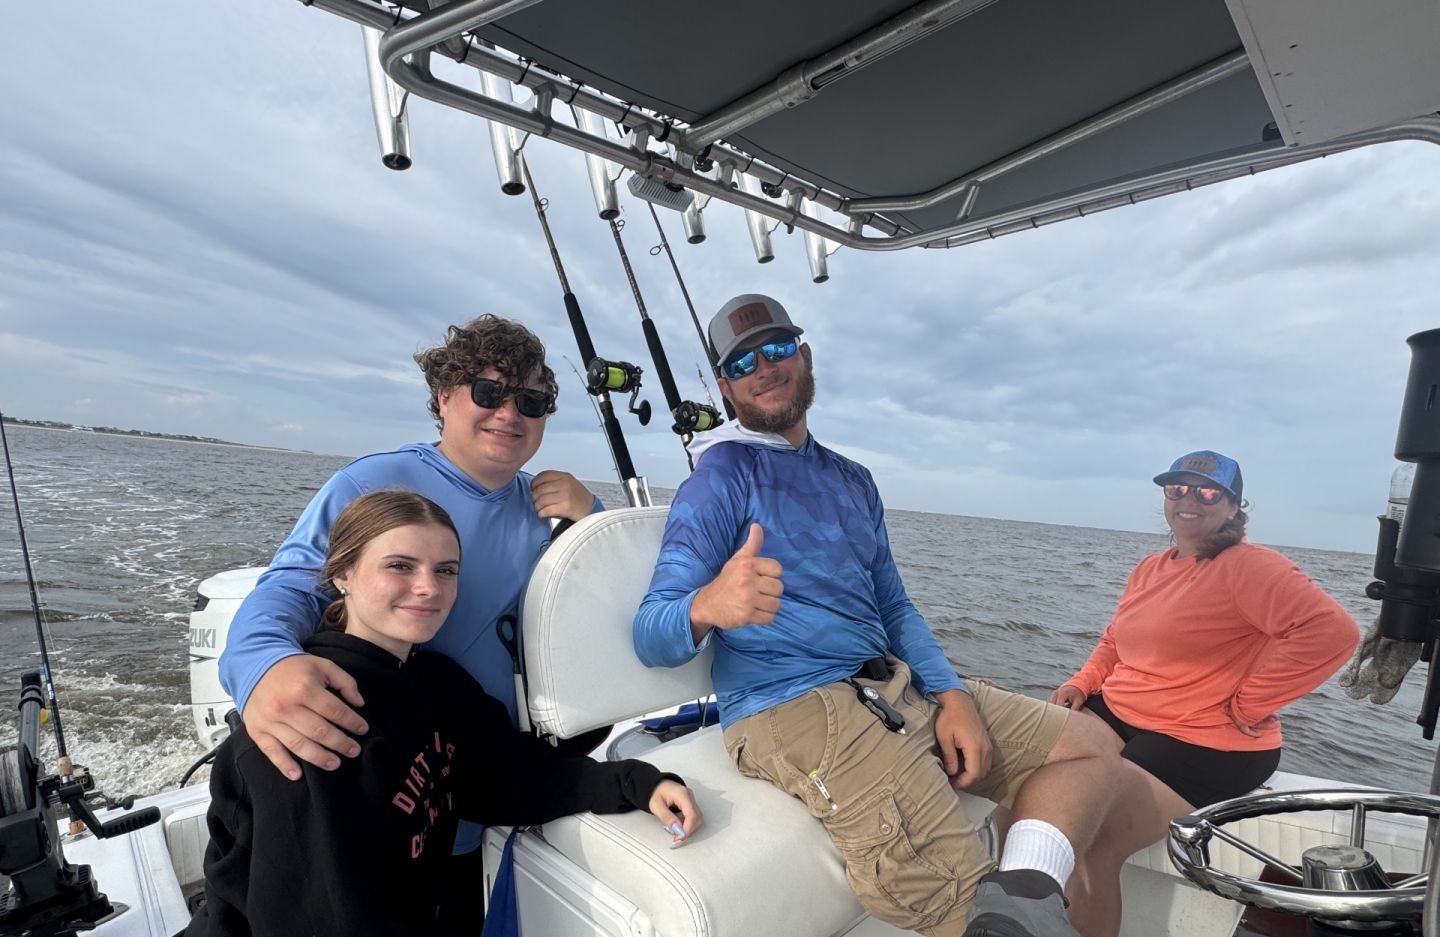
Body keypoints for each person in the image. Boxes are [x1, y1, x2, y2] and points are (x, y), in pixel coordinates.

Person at [634, 293, 1122, 937]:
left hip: (889, 681)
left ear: (804, 357)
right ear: (727, 385)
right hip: (793, 707)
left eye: (777, 348)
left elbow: (892, 602)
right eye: (743, 361)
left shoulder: (853, 479)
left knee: (1092, 747)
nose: (764, 367)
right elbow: (652, 634)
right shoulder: (719, 478)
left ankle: (1020, 894)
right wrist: (707, 606)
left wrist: (952, 694)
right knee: (972, 906)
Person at [217, 315, 600, 927]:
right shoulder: (372, 483)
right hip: (383, 781)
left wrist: (594, 519)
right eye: (488, 392)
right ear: (444, 397)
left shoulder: (547, 506)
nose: (509, 413)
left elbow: (599, 600)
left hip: (485, 777)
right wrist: (263, 666)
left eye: (531, 400)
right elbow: (292, 584)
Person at [185, 490, 702, 937]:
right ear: (342, 573)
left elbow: (504, 777)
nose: (429, 588)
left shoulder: (436, 682)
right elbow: (322, 919)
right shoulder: (313, 722)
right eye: (400, 566)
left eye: (446, 570)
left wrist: (638, 783)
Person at [1049, 450, 1359, 937]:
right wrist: (1081, 683)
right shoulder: (1151, 567)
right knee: (1027, 789)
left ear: (1234, 506)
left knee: (1089, 839)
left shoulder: (1247, 565)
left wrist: (1249, 703)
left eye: (1208, 491)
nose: (1190, 500)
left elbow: (1332, 632)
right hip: (1124, 711)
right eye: (1178, 489)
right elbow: (1114, 639)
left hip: (1205, 739)